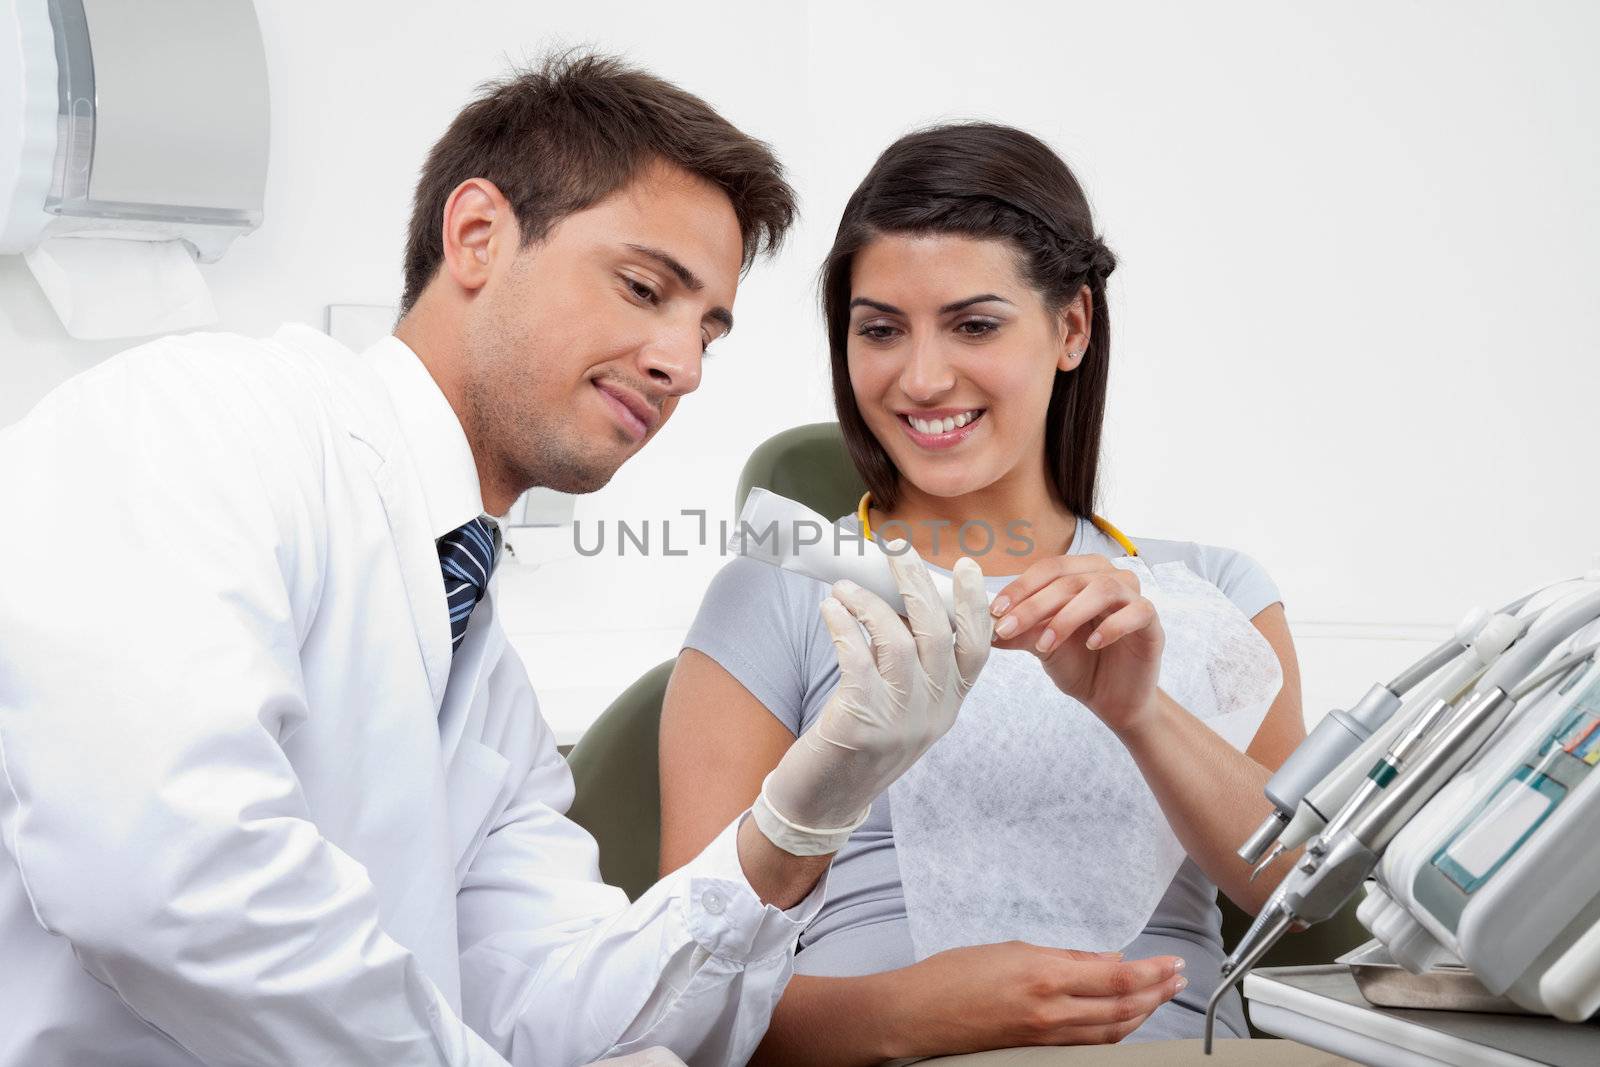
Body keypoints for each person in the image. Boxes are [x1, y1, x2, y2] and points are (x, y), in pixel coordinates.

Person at [0, 54, 992, 1067]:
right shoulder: (192, 424)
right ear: (477, 236)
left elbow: (557, 1007)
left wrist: (798, 818)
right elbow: (165, 876)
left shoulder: (482, 668)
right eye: (645, 287)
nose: (682, 366)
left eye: (708, 331)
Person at [659, 123, 1311, 1065]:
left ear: (1072, 327)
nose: (921, 378)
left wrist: (1139, 712)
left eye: (974, 324)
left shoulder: (1209, 590)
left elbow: (1298, 895)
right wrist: (923, 1012)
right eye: (879, 329)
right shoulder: (779, 588)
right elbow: (689, 978)